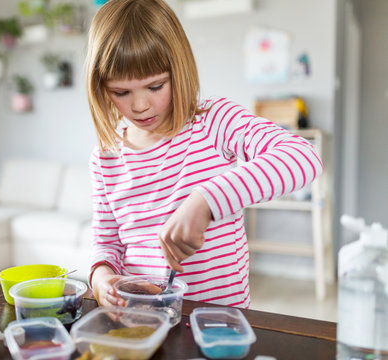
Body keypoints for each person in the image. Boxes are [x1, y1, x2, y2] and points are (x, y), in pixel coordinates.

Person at [85, 0, 323, 309]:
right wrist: (101, 278)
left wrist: (207, 200)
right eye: (121, 93)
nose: (140, 105)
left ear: (178, 70)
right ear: (101, 89)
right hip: (141, 318)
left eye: (155, 86)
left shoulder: (214, 122)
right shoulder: (105, 157)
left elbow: (303, 156)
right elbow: (106, 243)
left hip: (217, 321)